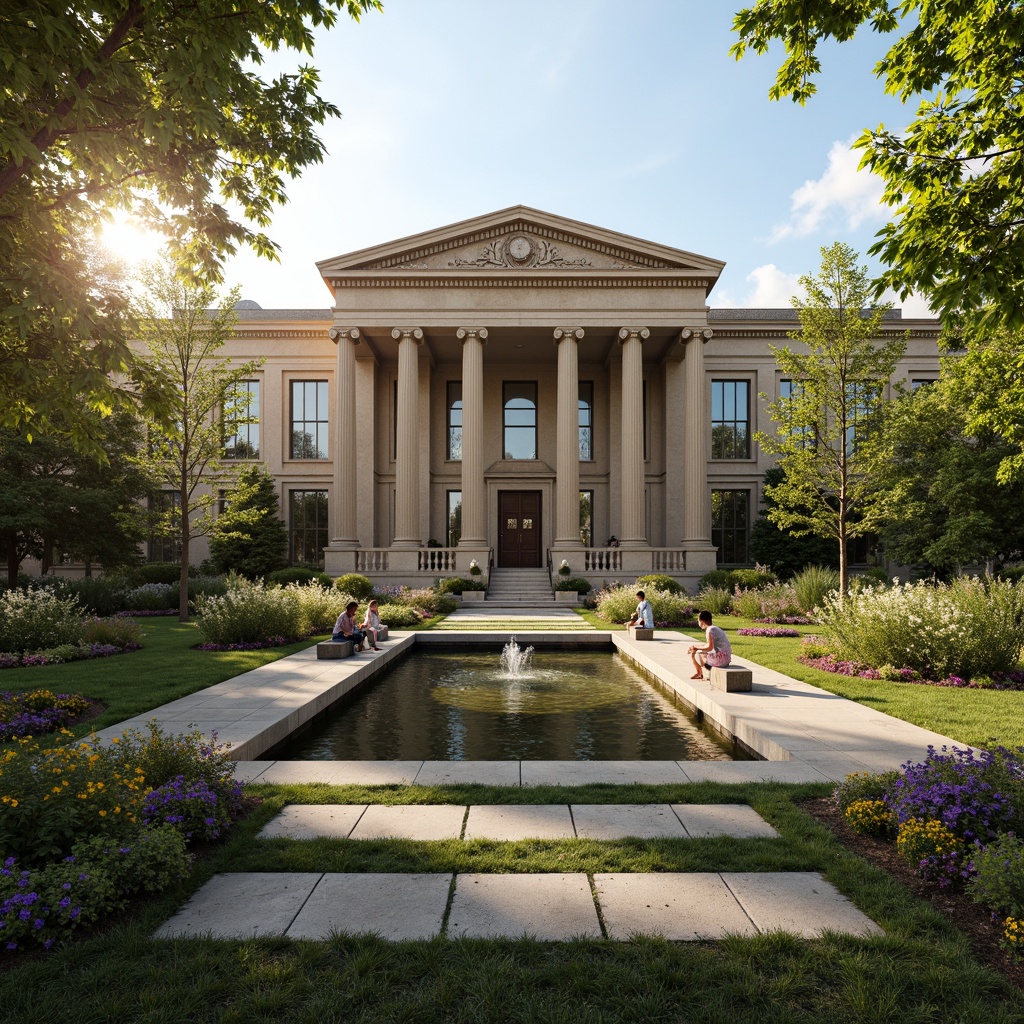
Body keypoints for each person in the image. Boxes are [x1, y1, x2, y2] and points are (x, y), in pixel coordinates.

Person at [688, 610, 732, 680]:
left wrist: (696, 648)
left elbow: (709, 647)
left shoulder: (710, 630)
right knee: (700, 649)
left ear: (701, 621)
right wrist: (697, 647)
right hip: (726, 660)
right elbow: (710, 645)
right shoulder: (715, 628)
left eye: (698, 620)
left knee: (700, 652)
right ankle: (700, 673)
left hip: (720, 661)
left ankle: (704, 674)